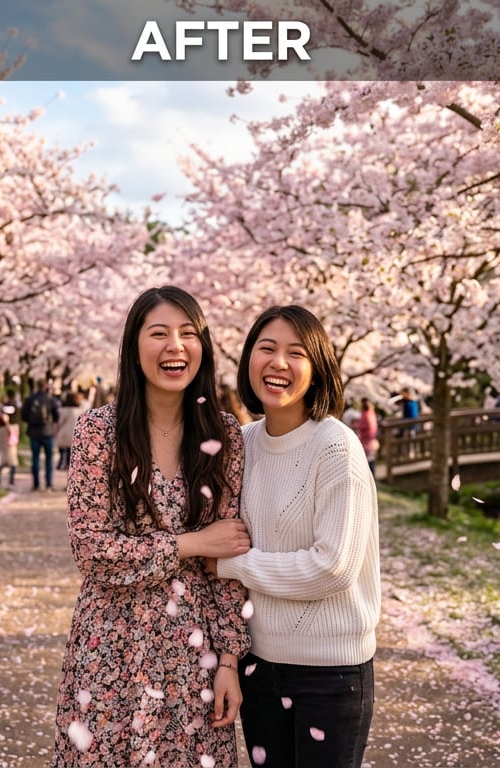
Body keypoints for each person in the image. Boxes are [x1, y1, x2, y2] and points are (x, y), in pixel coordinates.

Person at [54, 286, 251, 768]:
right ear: (133, 346)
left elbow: (227, 559)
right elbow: (92, 550)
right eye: (158, 333)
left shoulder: (224, 435)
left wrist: (229, 662)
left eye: (188, 334)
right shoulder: (98, 432)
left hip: (194, 652)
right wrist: (191, 543)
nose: (175, 347)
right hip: (110, 645)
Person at [215, 305, 380, 768]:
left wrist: (233, 563)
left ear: (318, 368)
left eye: (296, 353)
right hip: (258, 666)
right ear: (249, 359)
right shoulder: (241, 443)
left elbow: (332, 567)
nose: (279, 363)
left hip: (331, 674)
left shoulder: (335, 446)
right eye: (266, 349)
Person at [22, 381, 61, 491]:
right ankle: (49, 484)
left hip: (34, 432)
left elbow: (24, 416)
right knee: (49, 459)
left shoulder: (30, 399)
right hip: (48, 432)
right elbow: (57, 416)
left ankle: (36, 484)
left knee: (35, 458)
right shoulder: (50, 400)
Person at [55, 391, 84, 471]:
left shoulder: (63, 410)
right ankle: (68, 465)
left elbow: (59, 422)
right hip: (75, 434)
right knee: (71, 452)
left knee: (63, 451)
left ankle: (61, 464)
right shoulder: (81, 411)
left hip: (64, 434)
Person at [0, 406, 19, 486]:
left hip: (2, 446)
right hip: (9, 445)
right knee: (12, 461)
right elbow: (10, 430)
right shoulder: (6, 421)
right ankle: (11, 479)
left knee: (1, 462)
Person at [356, 397, 380, 477]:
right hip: (371, 439)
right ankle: (372, 476)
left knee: (368, 459)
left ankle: (370, 476)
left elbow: (362, 426)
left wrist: (357, 425)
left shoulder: (365, 415)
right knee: (371, 458)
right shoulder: (372, 414)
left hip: (366, 440)